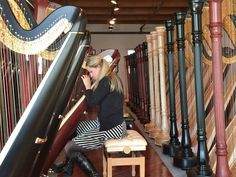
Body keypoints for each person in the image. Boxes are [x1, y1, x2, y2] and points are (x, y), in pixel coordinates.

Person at [62, 55, 127, 177]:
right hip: (113, 125)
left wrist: (87, 86)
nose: (91, 75)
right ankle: (67, 169)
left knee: (69, 147)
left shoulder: (105, 81)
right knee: (76, 128)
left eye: (91, 72)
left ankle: (93, 175)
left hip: (110, 129)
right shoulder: (111, 78)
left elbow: (91, 102)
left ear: (98, 67)